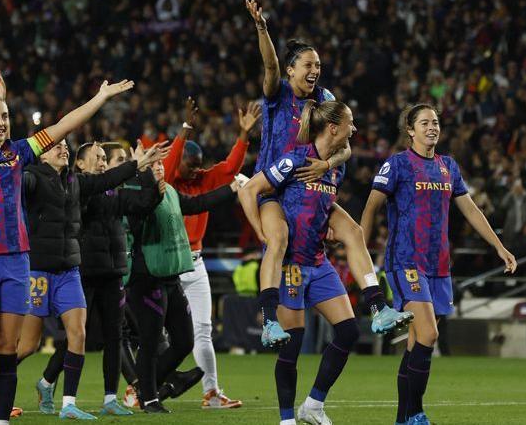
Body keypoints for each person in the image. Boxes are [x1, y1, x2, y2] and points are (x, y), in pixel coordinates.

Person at [0, 73, 134, 425]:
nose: (1, 123)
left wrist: (100, 97)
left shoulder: (20, 152)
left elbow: (64, 124)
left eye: (5, 116)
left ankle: (0, 420)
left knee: (8, 349)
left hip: (17, 260)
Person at [242, 0, 410, 349]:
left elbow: (344, 143)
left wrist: (327, 164)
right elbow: (270, 65)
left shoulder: (325, 98)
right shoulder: (278, 93)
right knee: (278, 240)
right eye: (308, 64)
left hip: (310, 184)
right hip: (275, 189)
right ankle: (270, 321)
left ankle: (379, 308)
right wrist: (262, 29)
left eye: (318, 64)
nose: (315, 69)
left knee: (353, 231)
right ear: (291, 70)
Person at [360, 104, 517, 425]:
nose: (432, 127)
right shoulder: (398, 164)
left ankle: (403, 418)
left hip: (439, 264)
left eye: (435, 122)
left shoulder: (448, 167)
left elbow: (471, 210)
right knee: (429, 334)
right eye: (424, 122)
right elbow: (372, 204)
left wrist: (499, 246)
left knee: (417, 342)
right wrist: (360, 247)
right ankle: (416, 414)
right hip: (405, 261)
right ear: (410, 130)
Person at [20, 137, 168, 420]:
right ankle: (28, 382)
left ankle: (102, 398)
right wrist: (136, 165)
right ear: (80, 163)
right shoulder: (75, 187)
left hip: (107, 272)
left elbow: (141, 203)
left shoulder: (102, 191)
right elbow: (93, 187)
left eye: (104, 157)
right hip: (77, 271)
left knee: (103, 336)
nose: (102, 162)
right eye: (98, 157)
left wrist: (150, 181)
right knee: (40, 342)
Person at [238, 99, 361, 425]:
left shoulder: (337, 166)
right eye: (350, 123)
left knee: (349, 332)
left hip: (319, 262)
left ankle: (314, 404)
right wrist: (260, 233)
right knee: (292, 345)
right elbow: (250, 190)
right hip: (291, 265)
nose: (355, 129)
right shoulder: (294, 160)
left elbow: (320, 206)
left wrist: (329, 227)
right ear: (333, 128)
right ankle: (286, 419)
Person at [162, 97, 259, 409]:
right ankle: (144, 386)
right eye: (190, 166)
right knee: (161, 335)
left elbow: (231, 167)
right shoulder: (166, 182)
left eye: (198, 166)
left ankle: (211, 393)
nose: (196, 172)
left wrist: (243, 135)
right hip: (168, 268)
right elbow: (167, 166)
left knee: (203, 331)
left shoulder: (203, 178)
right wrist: (186, 129)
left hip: (197, 264)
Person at [126, 159, 244, 414]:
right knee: (149, 341)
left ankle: (143, 387)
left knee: (184, 340)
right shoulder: (135, 194)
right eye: (152, 164)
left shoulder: (168, 190)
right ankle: (149, 400)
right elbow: (136, 221)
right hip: (146, 276)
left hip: (170, 275)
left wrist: (231, 188)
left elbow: (196, 204)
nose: (158, 167)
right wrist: (149, 190)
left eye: (160, 164)